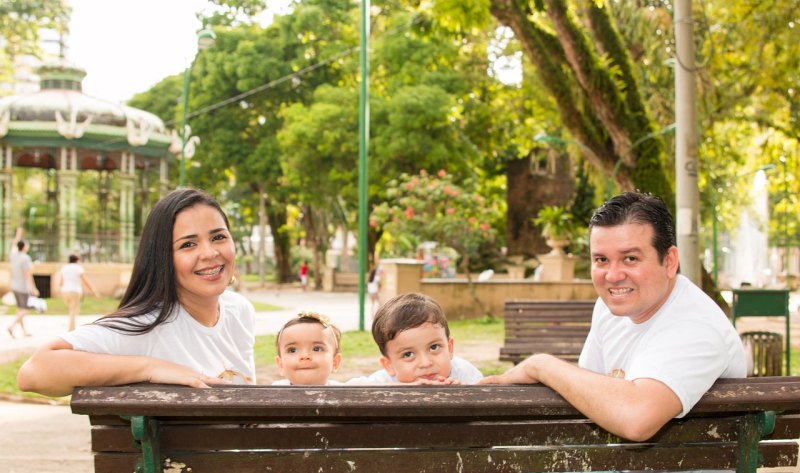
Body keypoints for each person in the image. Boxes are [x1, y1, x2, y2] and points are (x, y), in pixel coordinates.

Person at [481, 192, 746, 441]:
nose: (613, 275)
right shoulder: (610, 309)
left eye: (630, 258)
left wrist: (540, 365)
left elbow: (636, 419)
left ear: (669, 261)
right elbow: (588, 390)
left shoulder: (696, 326)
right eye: (601, 260)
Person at [17, 188, 256, 397]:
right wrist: (150, 368)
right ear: (162, 258)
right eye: (188, 244)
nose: (210, 253)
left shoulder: (239, 310)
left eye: (218, 237)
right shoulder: (147, 325)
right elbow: (34, 371)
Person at [348, 292, 483, 384]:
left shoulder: (464, 375)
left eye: (434, 347)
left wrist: (461, 397)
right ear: (388, 365)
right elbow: (345, 390)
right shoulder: (383, 383)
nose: (425, 363)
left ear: (450, 347)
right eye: (408, 354)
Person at [272, 311, 342, 385]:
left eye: (317, 349)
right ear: (280, 364)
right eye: (292, 350)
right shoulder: (271, 394)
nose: (305, 356)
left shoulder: (347, 392)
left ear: (335, 362)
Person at [7, 227, 39, 338]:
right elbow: (27, 275)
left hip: (14, 286)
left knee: (20, 309)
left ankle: (24, 332)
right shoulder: (26, 258)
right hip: (23, 287)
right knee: (26, 309)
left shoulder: (13, 256)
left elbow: (13, 245)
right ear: (24, 247)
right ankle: (11, 326)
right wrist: (33, 288)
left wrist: (18, 235)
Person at [55, 254, 101, 331]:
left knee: (70, 308)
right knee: (73, 310)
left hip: (65, 291)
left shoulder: (64, 268)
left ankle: (71, 327)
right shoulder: (78, 268)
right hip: (75, 291)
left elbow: (61, 282)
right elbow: (85, 281)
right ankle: (71, 330)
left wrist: (60, 291)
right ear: (77, 260)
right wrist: (94, 291)